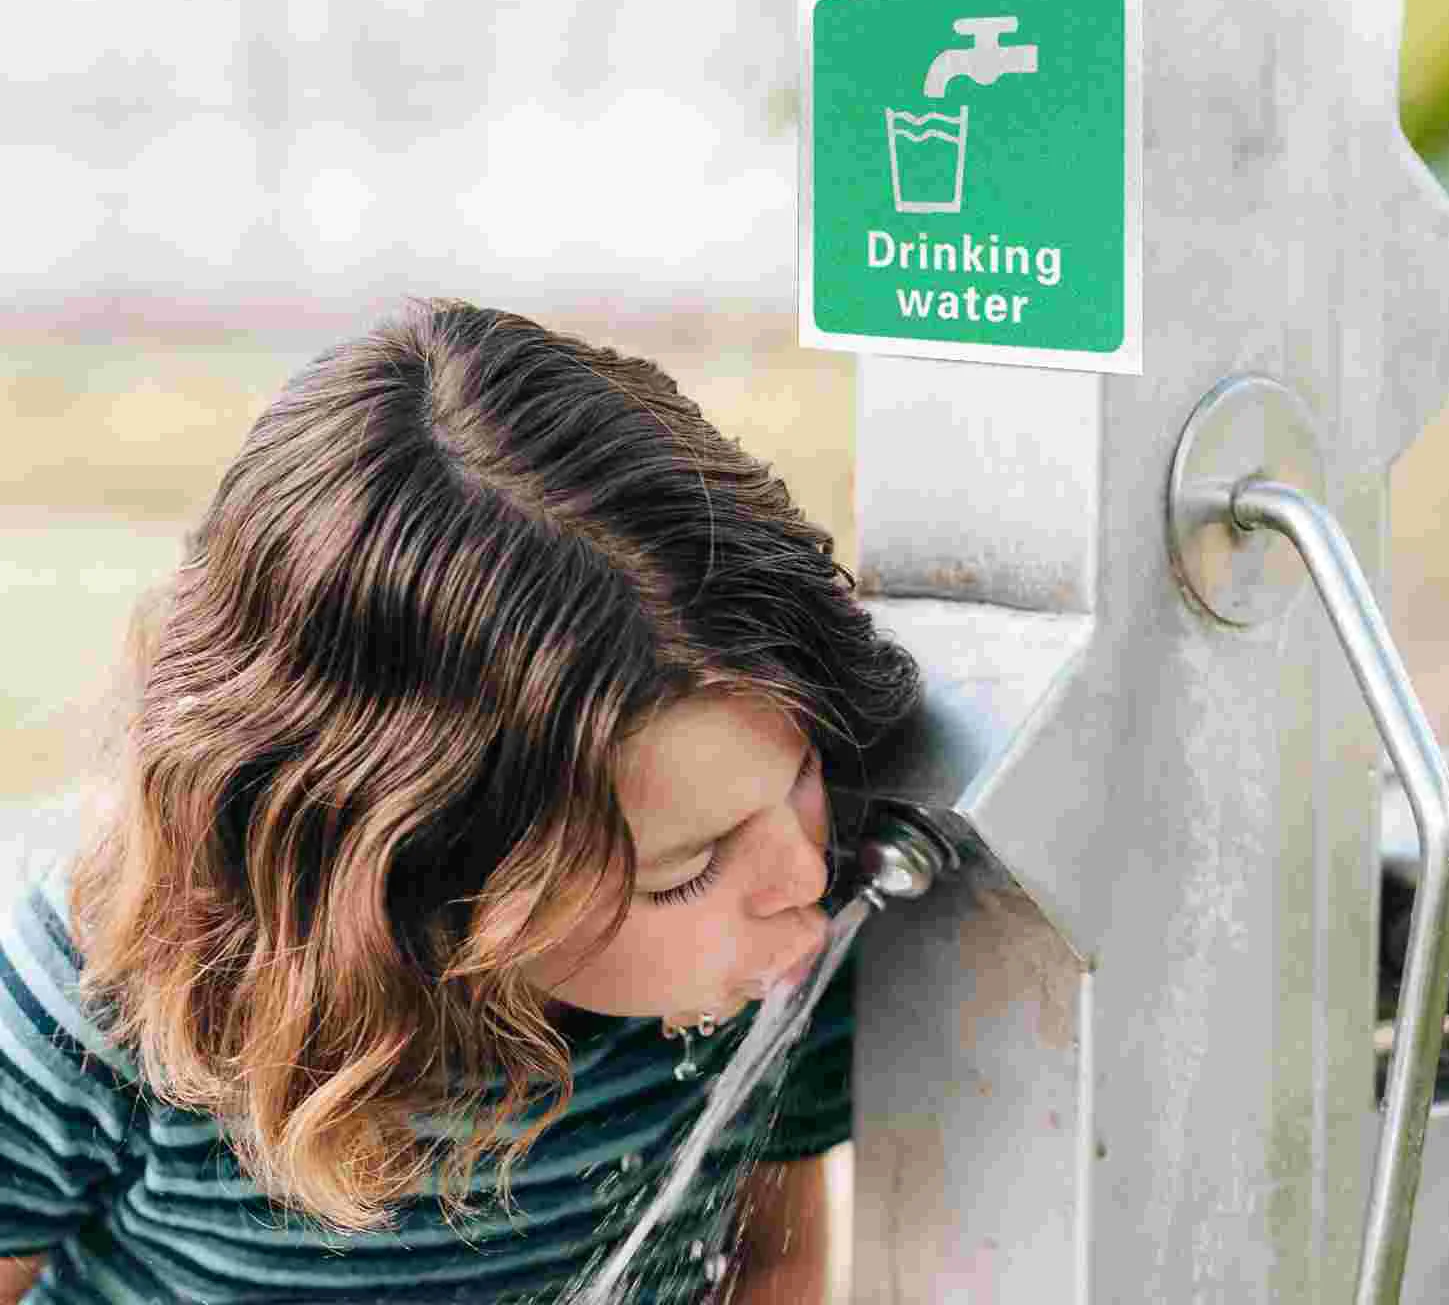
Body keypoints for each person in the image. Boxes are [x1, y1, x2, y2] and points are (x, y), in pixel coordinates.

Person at [0, 298, 922, 1304]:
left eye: (799, 780)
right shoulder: (98, 1010)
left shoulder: (760, 971)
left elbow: (772, 1258)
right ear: (417, 874)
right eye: (682, 869)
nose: (800, 878)